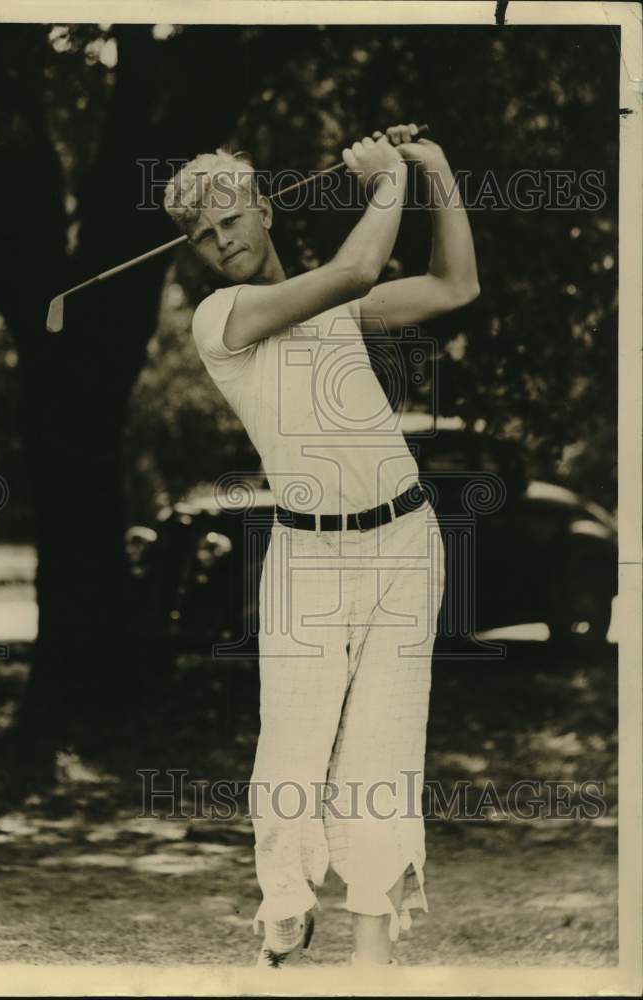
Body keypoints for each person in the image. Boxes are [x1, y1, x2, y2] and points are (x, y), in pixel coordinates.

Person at [164, 124, 479, 969]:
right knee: (291, 759)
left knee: (382, 751)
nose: (221, 241)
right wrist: (385, 186)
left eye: (230, 219)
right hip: (307, 559)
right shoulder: (221, 319)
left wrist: (433, 169)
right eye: (202, 236)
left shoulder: (332, 298)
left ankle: (372, 960)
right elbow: (354, 269)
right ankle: (284, 917)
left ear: (263, 208)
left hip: (405, 542)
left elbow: (455, 286)